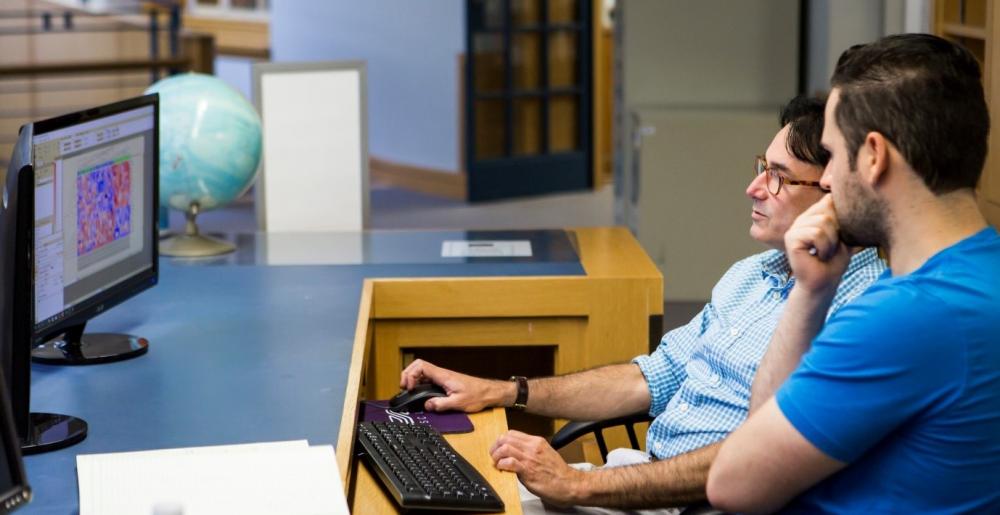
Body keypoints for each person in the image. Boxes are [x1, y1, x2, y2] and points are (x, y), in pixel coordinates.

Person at [399, 95, 886, 512]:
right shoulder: (749, 276)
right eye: (762, 167)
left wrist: (580, 483)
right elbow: (651, 376)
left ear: (832, 193)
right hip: (634, 483)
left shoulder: (863, 313)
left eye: (778, 176)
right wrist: (502, 391)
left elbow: (760, 458)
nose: (754, 188)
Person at [707, 34, 1000, 513]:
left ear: (873, 156)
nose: (825, 180)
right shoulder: (974, 275)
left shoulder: (907, 316)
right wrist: (812, 289)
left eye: (833, 154)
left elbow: (734, 485)